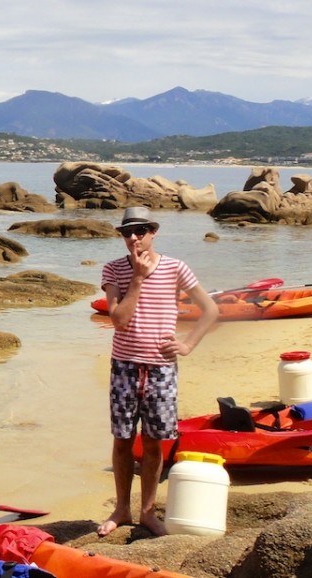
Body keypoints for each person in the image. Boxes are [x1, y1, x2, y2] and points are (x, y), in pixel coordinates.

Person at [97, 206, 219, 537]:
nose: (134, 237)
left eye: (141, 231)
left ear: (154, 231)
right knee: (122, 440)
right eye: (127, 232)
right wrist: (136, 278)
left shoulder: (176, 268)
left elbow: (210, 309)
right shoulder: (114, 271)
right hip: (124, 367)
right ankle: (122, 509)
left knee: (153, 443)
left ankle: (148, 512)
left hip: (162, 370)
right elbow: (119, 321)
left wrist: (188, 344)